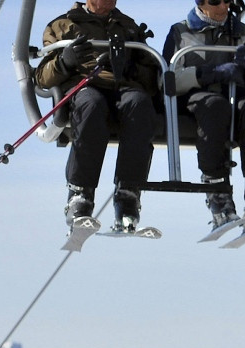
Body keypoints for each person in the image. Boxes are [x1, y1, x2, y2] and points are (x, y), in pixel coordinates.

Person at [35, 0, 160, 232]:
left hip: (123, 87)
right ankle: (80, 195)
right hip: (86, 86)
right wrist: (64, 62)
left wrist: (132, 69)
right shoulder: (63, 26)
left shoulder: (128, 28)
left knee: (140, 103)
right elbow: (42, 76)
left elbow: (153, 76)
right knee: (91, 105)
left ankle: (128, 194)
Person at [163, 0, 245, 230]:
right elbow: (167, 79)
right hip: (198, 95)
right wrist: (207, 74)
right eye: (215, 1)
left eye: (228, 1)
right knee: (214, 107)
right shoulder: (181, 32)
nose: (223, 7)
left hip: (237, 95)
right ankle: (217, 191)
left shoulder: (243, 33)